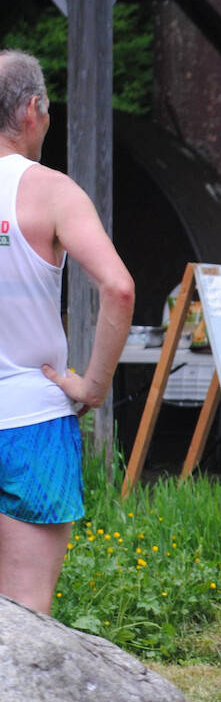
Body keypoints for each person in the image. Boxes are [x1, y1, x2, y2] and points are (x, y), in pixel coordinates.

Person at [0, 50, 135, 615]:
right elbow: (118, 289)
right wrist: (93, 387)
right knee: (26, 613)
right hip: (30, 417)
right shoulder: (51, 191)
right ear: (34, 110)